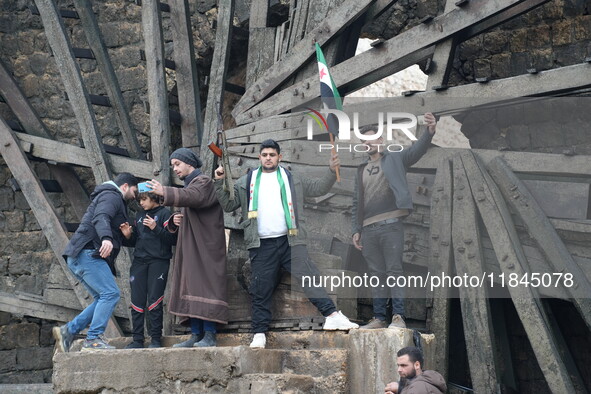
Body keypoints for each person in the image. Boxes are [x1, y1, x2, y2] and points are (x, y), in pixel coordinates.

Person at [215, 139, 359, 349]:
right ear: (259, 157)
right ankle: (259, 333)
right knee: (260, 289)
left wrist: (330, 170)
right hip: (261, 244)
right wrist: (219, 181)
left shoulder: (293, 178)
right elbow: (229, 204)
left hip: (290, 241)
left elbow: (319, 188)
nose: (268, 158)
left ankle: (332, 314)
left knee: (310, 277)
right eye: (264, 155)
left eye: (272, 155)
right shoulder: (247, 181)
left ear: (279, 157)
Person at [352, 113, 437, 330]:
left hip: (391, 225)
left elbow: (416, 151)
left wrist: (429, 131)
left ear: (380, 140)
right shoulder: (360, 170)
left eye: (370, 139)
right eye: (363, 141)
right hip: (368, 229)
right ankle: (379, 318)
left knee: (394, 271)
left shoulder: (395, 158)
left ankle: (398, 317)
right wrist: (356, 229)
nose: (367, 144)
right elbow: (356, 202)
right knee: (376, 275)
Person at [146, 148, 227, 348]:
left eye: (177, 164)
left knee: (204, 286)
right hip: (191, 246)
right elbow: (188, 202)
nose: (175, 169)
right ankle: (195, 334)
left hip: (206, 246)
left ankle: (210, 335)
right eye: (173, 165)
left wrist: (164, 191)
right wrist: (175, 220)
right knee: (191, 285)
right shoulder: (189, 186)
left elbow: (195, 197)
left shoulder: (204, 182)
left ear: (189, 164)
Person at [53, 172, 139, 352]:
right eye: (134, 191)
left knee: (103, 297)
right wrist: (106, 238)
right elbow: (100, 217)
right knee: (111, 294)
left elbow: (117, 233)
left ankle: (68, 331)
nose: (135, 196)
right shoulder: (111, 196)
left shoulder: (115, 200)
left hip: (80, 255)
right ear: (125, 186)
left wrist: (127, 236)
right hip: (88, 253)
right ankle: (93, 340)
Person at [120, 191, 177, 348]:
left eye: (144, 199)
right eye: (139, 200)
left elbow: (173, 239)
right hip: (139, 262)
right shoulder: (139, 215)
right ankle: (137, 340)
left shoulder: (165, 214)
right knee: (137, 301)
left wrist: (155, 227)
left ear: (154, 198)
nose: (141, 203)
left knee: (154, 300)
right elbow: (137, 241)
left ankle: (156, 339)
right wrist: (127, 236)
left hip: (158, 262)